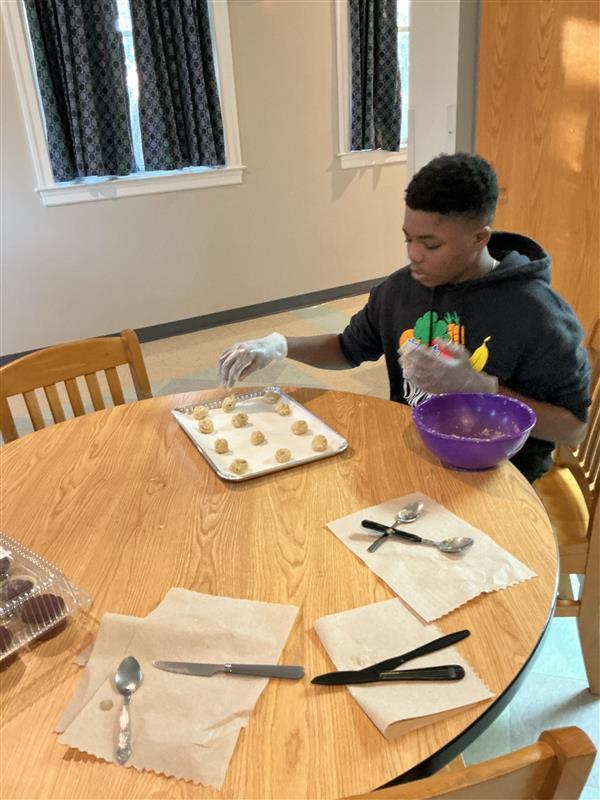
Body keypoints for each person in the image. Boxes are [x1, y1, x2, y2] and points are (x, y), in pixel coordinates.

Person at [218, 153, 591, 482]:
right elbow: (347, 349)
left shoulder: (537, 313)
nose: (414, 254)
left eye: (430, 244)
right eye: (407, 238)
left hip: (502, 473)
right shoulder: (399, 290)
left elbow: (572, 428)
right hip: (414, 450)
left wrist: (479, 387)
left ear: (480, 238)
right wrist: (279, 345)